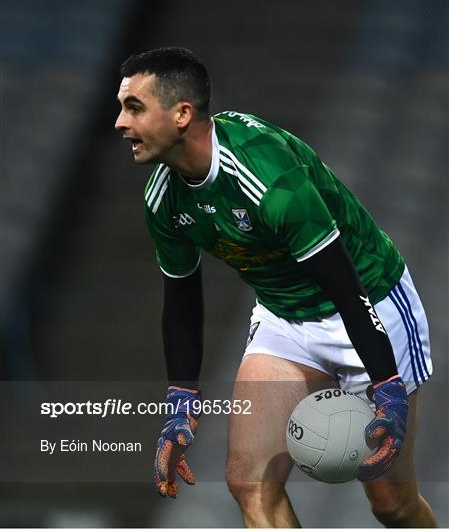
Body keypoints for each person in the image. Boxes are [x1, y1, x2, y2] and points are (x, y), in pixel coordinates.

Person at [115, 47, 437, 528]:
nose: (120, 123)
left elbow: (346, 290)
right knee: (249, 482)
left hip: (370, 301)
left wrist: (387, 386)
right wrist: (181, 404)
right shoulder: (162, 197)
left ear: (182, 114)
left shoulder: (267, 176)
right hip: (285, 316)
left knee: (393, 506)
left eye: (133, 107)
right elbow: (181, 300)